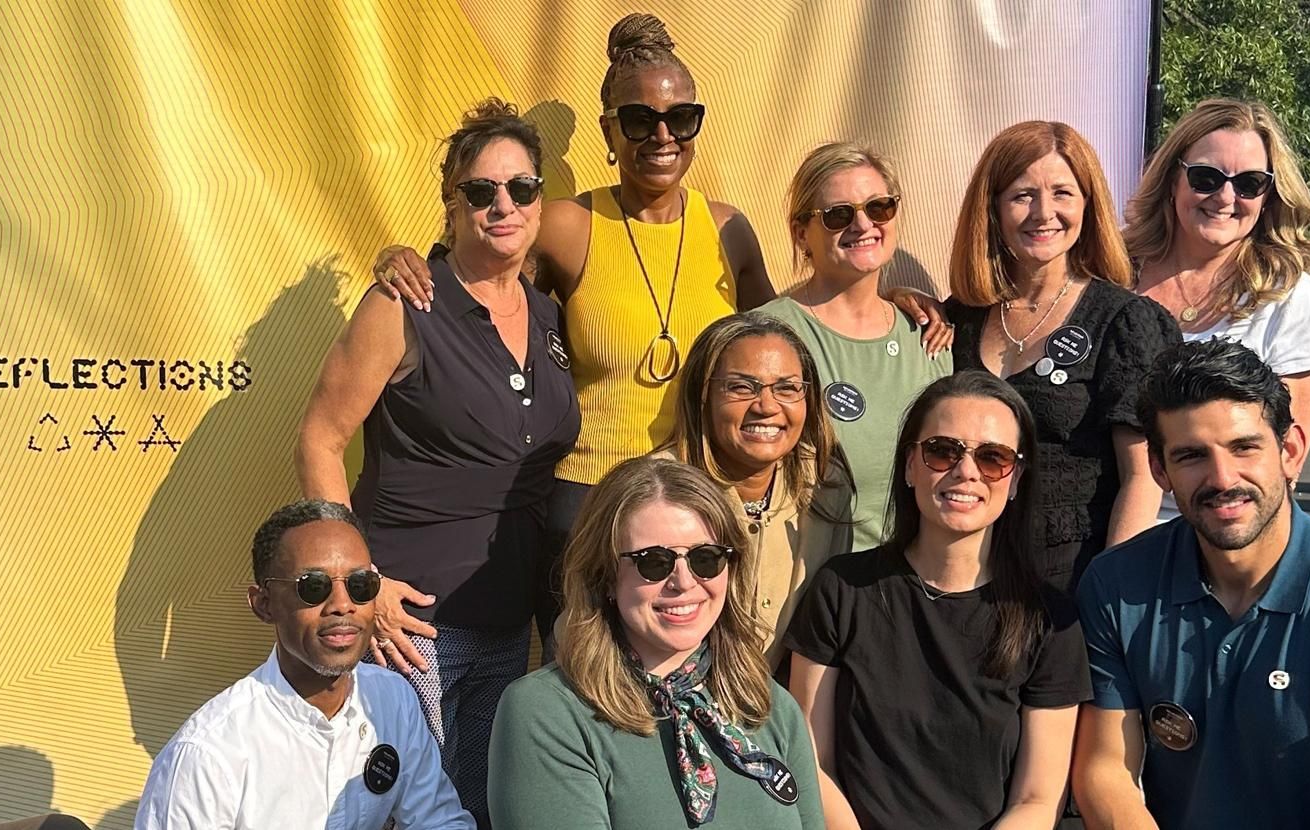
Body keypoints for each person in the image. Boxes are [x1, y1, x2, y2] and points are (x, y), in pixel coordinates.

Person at [370, 14, 945, 641]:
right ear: (610, 132)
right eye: (640, 120)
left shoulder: (729, 230)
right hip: (583, 505)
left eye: (681, 118)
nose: (662, 135)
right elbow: (485, 279)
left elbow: (784, 338)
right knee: (586, 684)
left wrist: (881, 294)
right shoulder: (567, 224)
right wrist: (407, 261)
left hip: (699, 506)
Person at [295, 98, 578, 825]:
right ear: (452, 205)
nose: (502, 205)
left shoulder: (547, 314)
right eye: (480, 192)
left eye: (520, 188)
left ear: (541, 200)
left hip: (509, 621)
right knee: (397, 811)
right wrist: (362, 585)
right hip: (410, 624)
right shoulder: (404, 302)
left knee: (477, 808)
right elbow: (320, 440)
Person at [1072, 339, 1310, 830]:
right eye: (1190, 455)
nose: (1222, 477)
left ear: (1290, 450)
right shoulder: (1117, 586)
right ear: (1158, 469)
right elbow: (1106, 770)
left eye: (1244, 447)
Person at [786, 373, 1087, 829]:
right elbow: (813, 764)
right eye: (943, 451)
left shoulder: (1049, 620)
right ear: (910, 465)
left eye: (993, 458)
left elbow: (1037, 799)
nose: (966, 471)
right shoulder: (842, 590)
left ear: (1017, 478)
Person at [489, 457, 825, 829]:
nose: (683, 581)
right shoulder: (547, 712)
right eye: (653, 562)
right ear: (604, 577)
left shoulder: (765, 702)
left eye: (706, 558)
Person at [943, 121, 1180, 591]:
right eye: (1022, 195)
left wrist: (1109, 594)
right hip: (960, 579)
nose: (1043, 212)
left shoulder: (1125, 323)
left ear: (1088, 207)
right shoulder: (958, 318)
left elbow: (1143, 480)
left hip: (1072, 586)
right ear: (991, 208)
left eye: (1063, 193)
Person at [134, 500, 472, 829]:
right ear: (264, 605)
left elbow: (438, 820)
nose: (342, 604)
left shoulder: (393, 699)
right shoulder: (207, 753)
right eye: (313, 587)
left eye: (360, 585)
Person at [758, 143, 951, 550]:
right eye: (838, 215)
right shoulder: (767, 337)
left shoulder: (929, 334)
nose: (863, 225)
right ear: (800, 233)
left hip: (914, 589)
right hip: (811, 590)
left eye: (879, 207)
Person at [1127, 99, 1310, 455]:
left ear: (1268, 195)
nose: (1225, 197)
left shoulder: (1294, 300)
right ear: (1172, 179)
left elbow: (1282, 461)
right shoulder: (1112, 271)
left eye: (1249, 183)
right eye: (1206, 178)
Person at [654, 313, 852, 664]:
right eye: (742, 387)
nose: (766, 406)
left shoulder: (825, 485)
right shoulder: (654, 493)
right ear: (704, 394)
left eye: (787, 388)